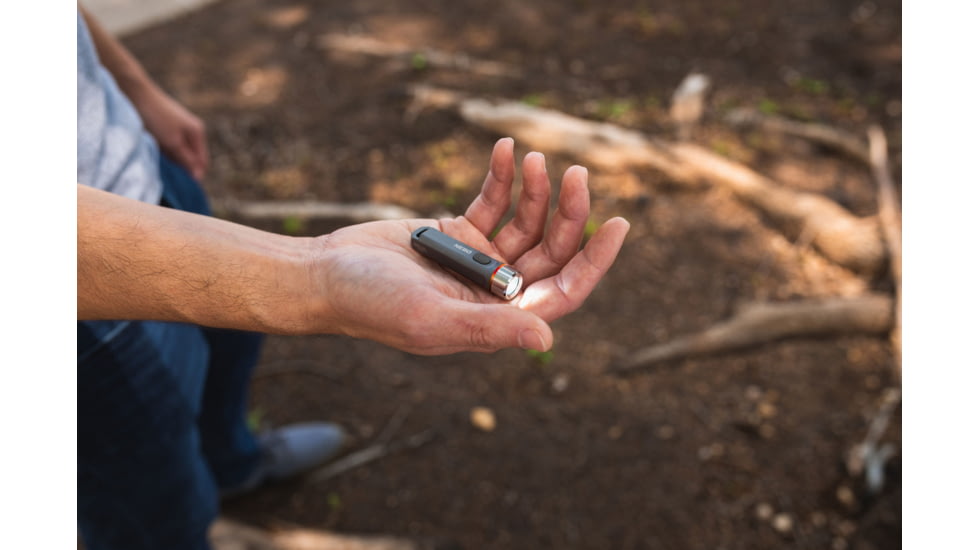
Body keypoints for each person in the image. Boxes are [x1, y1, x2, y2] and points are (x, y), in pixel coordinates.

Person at [76, 5, 630, 550]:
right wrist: (316, 277)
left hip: (139, 163)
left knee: (230, 352)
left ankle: (233, 464)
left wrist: (136, 89)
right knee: (151, 498)